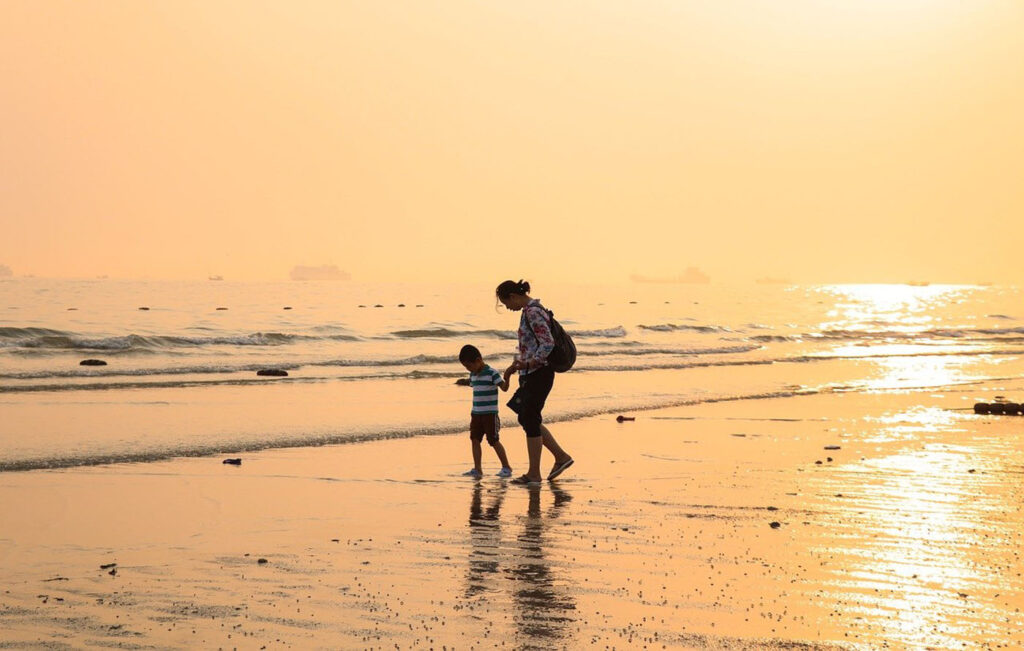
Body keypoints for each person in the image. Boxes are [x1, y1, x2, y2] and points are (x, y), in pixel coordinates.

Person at [495, 280, 574, 485]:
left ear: (513, 296)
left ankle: (534, 474)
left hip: (540, 372)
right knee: (526, 416)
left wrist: (530, 362)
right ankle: (561, 457)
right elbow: (533, 343)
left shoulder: (532, 312)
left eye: (506, 303)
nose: (508, 308)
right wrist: (519, 365)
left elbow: (547, 343)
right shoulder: (530, 311)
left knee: (530, 418)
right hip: (533, 371)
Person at [459, 344, 514, 478]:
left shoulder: (492, 373)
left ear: (478, 360)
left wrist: (507, 377)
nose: (468, 369)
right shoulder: (473, 374)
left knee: (493, 440)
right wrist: (462, 382)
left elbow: (504, 388)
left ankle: (506, 467)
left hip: (490, 414)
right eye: (466, 367)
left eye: (469, 366)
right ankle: (477, 469)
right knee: (474, 439)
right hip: (476, 413)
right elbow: (472, 383)